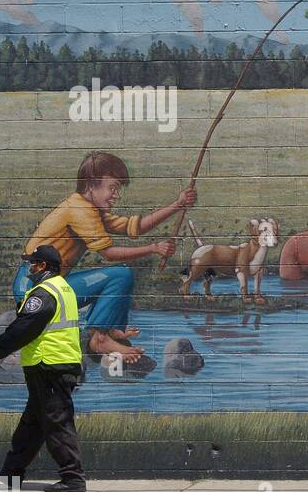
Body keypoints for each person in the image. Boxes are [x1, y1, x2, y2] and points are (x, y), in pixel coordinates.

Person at [17, 151, 195, 363]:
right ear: (92, 185)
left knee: (120, 276)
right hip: (35, 292)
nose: (116, 194)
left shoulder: (90, 208)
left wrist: (177, 204)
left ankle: (111, 331)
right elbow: (108, 254)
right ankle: (100, 339)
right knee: (120, 276)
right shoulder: (79, 210)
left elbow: (134, 227)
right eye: (112, 187)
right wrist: (153, 248)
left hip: (48, 287)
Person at [0, 245, 87, 492]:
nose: (30, 268)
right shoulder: (62, 288)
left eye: (33, 263)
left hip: (49, 365)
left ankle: (73, 478)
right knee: (33, 424)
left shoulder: (45, 293)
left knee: (57, 421)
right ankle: (11, 475)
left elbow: (24, 327)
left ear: (44, 266)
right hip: (51, 365)